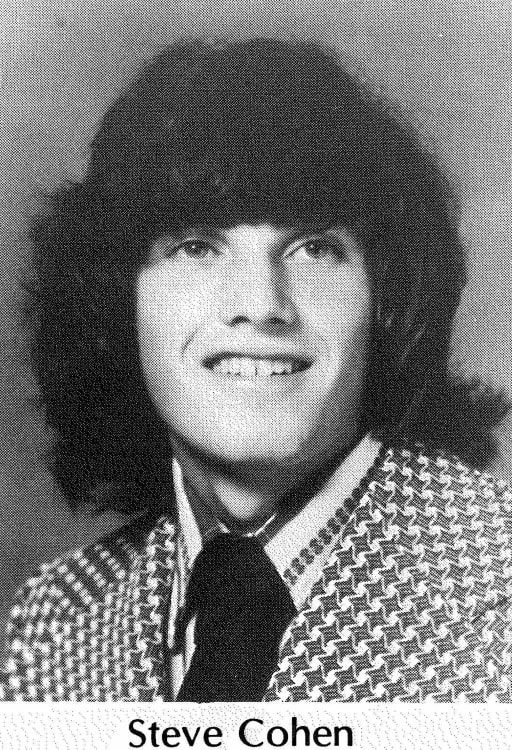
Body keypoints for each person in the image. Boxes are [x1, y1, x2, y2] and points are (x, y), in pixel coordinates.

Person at [1, 37, 511, 702]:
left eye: (314, 249)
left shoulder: (497, 582)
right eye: (196, 247)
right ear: (116, 302)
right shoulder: (52, 623)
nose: (261, 304)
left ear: (389, 300)